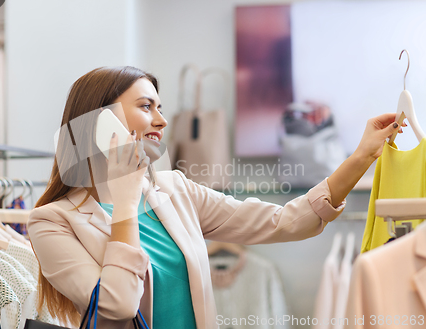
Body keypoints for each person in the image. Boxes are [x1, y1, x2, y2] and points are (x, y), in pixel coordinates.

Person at [27, 66, 405, 329]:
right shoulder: (52, 222)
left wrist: (360, 158)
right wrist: (125, 203)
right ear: (99, 120)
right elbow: (117, 305)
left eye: (161, 108)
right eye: (146, 106)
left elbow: (287, 221)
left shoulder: (175, 190)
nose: (161, 120)